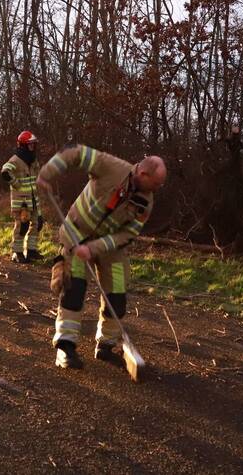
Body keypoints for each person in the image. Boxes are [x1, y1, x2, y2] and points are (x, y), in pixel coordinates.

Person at [37, 144, 167, 370]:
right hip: (77, 235)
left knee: (117, 294)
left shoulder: (147, 200)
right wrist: (47, 173)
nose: (158, 188)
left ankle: (105, 345)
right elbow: (75, 153)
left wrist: (95, 247)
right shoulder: (110, 166)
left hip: (108, 246)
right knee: (73, 288)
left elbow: (128, 234)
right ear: (143, 174)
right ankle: (65, 348)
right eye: (156, 183)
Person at [0, 131, 43, 263]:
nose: (33, 147)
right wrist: (16, 183)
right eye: (30, 145)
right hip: (21, 202)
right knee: (21, 227)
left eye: (33, 145)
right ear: (24, 145)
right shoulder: (16, 159)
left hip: (34, 199)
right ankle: (17, 253)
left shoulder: (33, 160)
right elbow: (5, 171)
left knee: (37, 224)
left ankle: (31, 251)